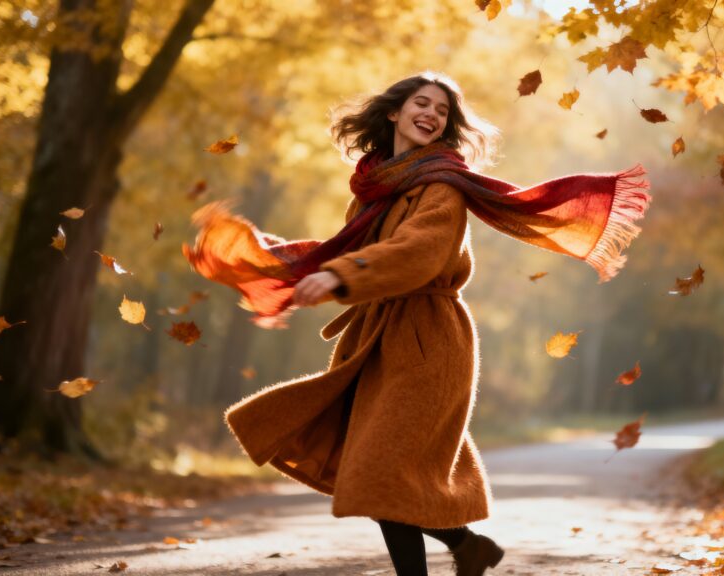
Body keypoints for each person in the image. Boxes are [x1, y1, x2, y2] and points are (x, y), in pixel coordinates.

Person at [183, 71, 651, 575]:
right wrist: (279, 261)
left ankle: (465, 547)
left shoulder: (442, 186)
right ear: (394, 112)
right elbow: (356, 248)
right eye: (421, 103)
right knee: (388, 477)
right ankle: (468, 548)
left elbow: (418, 252)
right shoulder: (375, 187)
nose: (430, 114)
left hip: (429, 342)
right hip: (382, 338)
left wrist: (341, 275)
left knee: (386, 475)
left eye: (441, 111)